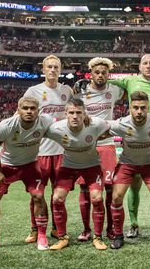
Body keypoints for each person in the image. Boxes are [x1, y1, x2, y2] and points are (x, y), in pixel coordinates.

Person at [109, 54, 150, 238]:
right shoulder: (129, 80)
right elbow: (107, 80)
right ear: (139, 66)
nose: (148, 66)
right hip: (133, 138)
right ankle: (134, 223)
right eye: (145, 63)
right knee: (134, 185)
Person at [0, 97, 52, 252]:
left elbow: (63, 125)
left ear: (38, 111)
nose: (29, 111)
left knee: (39, 196)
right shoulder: (6, 126)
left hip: (30, 166)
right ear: (18, 110)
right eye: (25, 108)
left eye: (33, 108)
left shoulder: (45, 121)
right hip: (7, 166)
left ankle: (42, 236)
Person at [45, 99, 110, 250]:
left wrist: (97, 137)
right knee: (57, 198)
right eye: (72, 113)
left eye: (78, 113)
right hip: (68, 167)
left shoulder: (96, 124)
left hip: (92, 166)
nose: (75, 116)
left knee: (97, 198)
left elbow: (112, 129)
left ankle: (98, 237)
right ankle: (62, 237)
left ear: (84, 113)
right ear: (66, 114)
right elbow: (38, 131)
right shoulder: (56, 128)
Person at [108, 91, 150, 249]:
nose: (139, 111)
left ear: (148, 108)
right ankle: (118, 235)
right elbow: (100, 129)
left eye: (143, 108)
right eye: (135, 108)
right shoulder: (122, 123)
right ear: (130, 108)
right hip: (127, 163)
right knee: (116, 197)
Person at [23, 55, 73, 243]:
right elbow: (21, 114)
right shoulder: (33, 91)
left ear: (61, 70)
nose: (53, 70)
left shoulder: (67, 91)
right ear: (43, 69)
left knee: (58, 195)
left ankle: (57, 229)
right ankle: (35, 229)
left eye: (56, 67)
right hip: (39, 152)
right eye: (49, 67)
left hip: (62, 151)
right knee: (36, 194)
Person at [75, 57, 124, 241]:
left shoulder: (115, 90)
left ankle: (111, 229)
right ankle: (87, 229)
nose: (101, 75)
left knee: (110, 189)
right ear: (91, 73)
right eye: (97, 72)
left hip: (107, 145)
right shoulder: (82, 90)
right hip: (86, 146)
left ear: (108, 74)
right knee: (85, 189)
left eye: (104, 72)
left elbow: (129, 90)